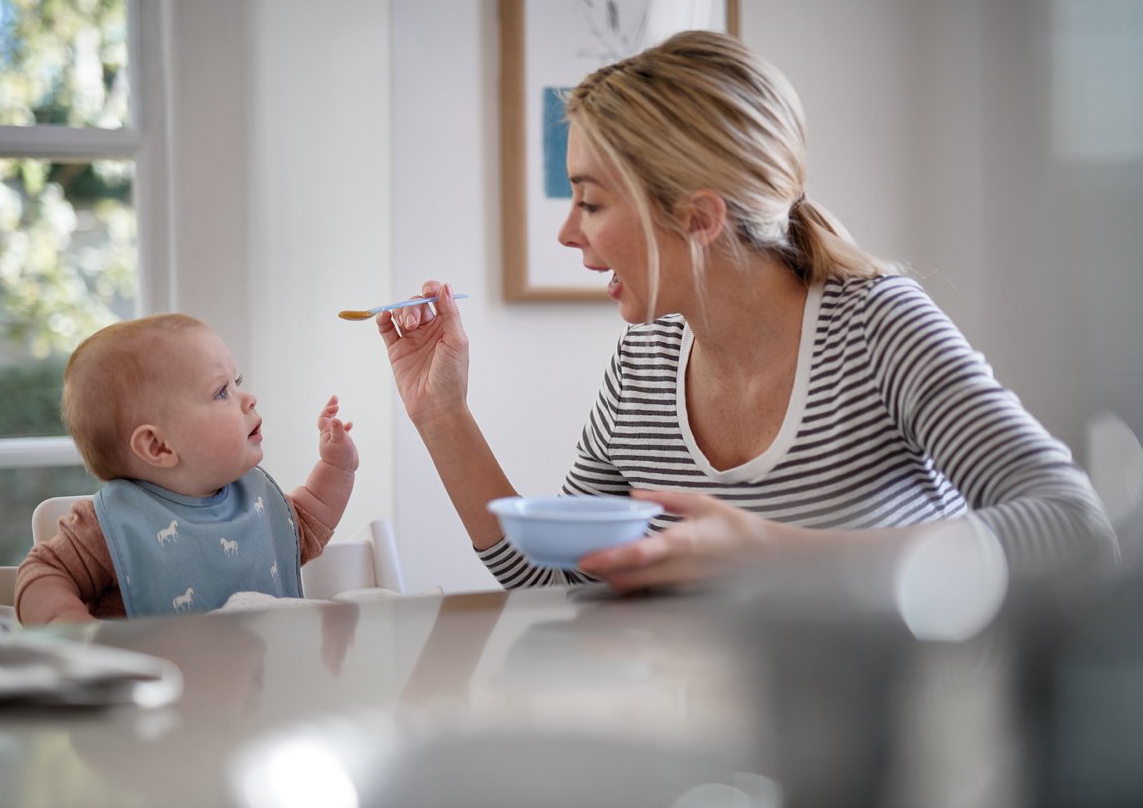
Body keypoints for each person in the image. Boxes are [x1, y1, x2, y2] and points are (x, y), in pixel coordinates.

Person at [376, 30, 1117, 593]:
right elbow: (562, 581)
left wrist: (769, 551)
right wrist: (443, 416)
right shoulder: (646, 361)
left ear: (699, 217)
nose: (568, 233)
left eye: (592, 202)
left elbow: (1073, 527)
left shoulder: (878, 328)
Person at [15, 313, 358, 623]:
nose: (248, 397)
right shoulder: (110, 527)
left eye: (237, 380)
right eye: (222, 391)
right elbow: (43, 571)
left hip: (267, 687)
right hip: (164, 688)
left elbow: (309, 521)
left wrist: (336, 468)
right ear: (159, 446)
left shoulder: (256, 501)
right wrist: (71, 628)